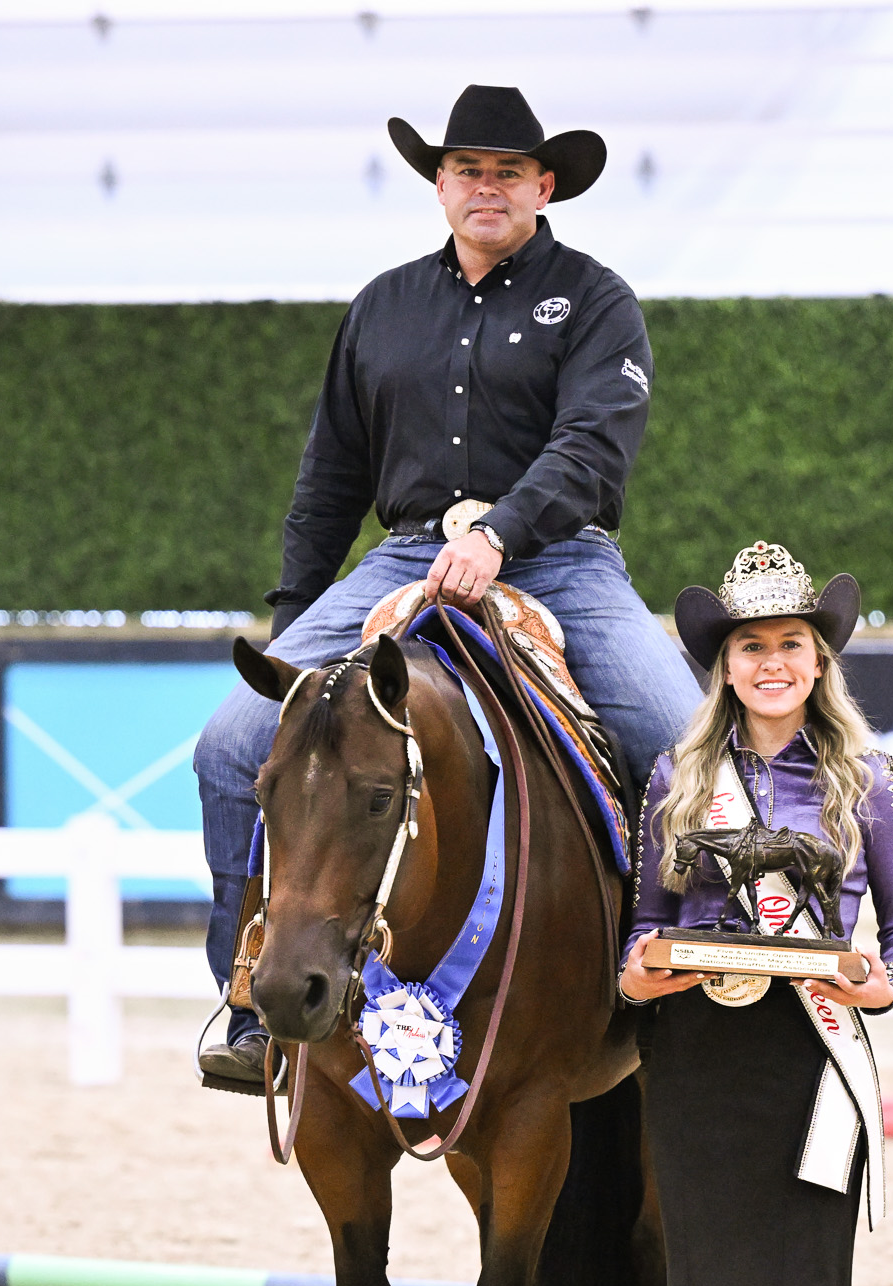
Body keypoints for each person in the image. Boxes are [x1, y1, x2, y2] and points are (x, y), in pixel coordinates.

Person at [194, 84, 702, 1089]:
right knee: (230, 745)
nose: (486, 186)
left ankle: (684, 1001)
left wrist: (503, 533)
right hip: (401, 555)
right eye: (466, 168)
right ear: (438, 184)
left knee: (683, 747)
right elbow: (331, 476)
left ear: (543, 185)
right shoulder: (382, 307)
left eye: (507, 171)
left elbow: (591, 447)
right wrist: (297, 637)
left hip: (561, 559)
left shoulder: (595, 300)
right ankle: (250, 994)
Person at [616, 542, 893, 1286]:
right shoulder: (674, 780)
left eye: (789, 643)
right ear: (724, 665)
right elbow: (641, 934)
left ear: (817, 657)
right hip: (701, 1071)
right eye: (750, 647)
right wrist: (643, 969)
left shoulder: (865, 782)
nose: (770, 663)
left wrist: (882, 981)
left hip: (814, 1061)